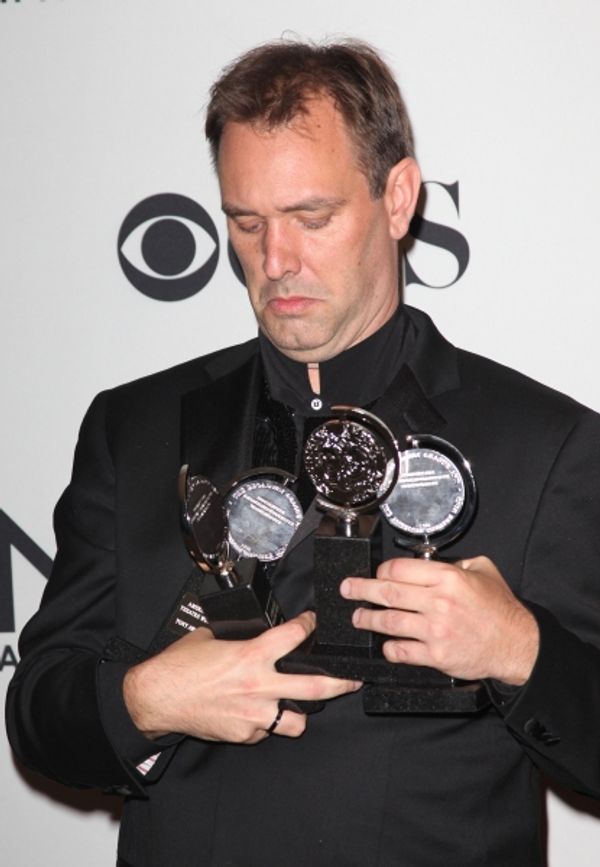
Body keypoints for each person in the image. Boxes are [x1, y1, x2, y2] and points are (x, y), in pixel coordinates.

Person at [6, 38, 600, 867]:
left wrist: (521, 651)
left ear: (398, 198)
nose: (274, 261)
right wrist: (145, 698)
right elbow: (38, 715)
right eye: (246, 223)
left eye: (311, 218)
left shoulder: (547, 444)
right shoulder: (135, 428)